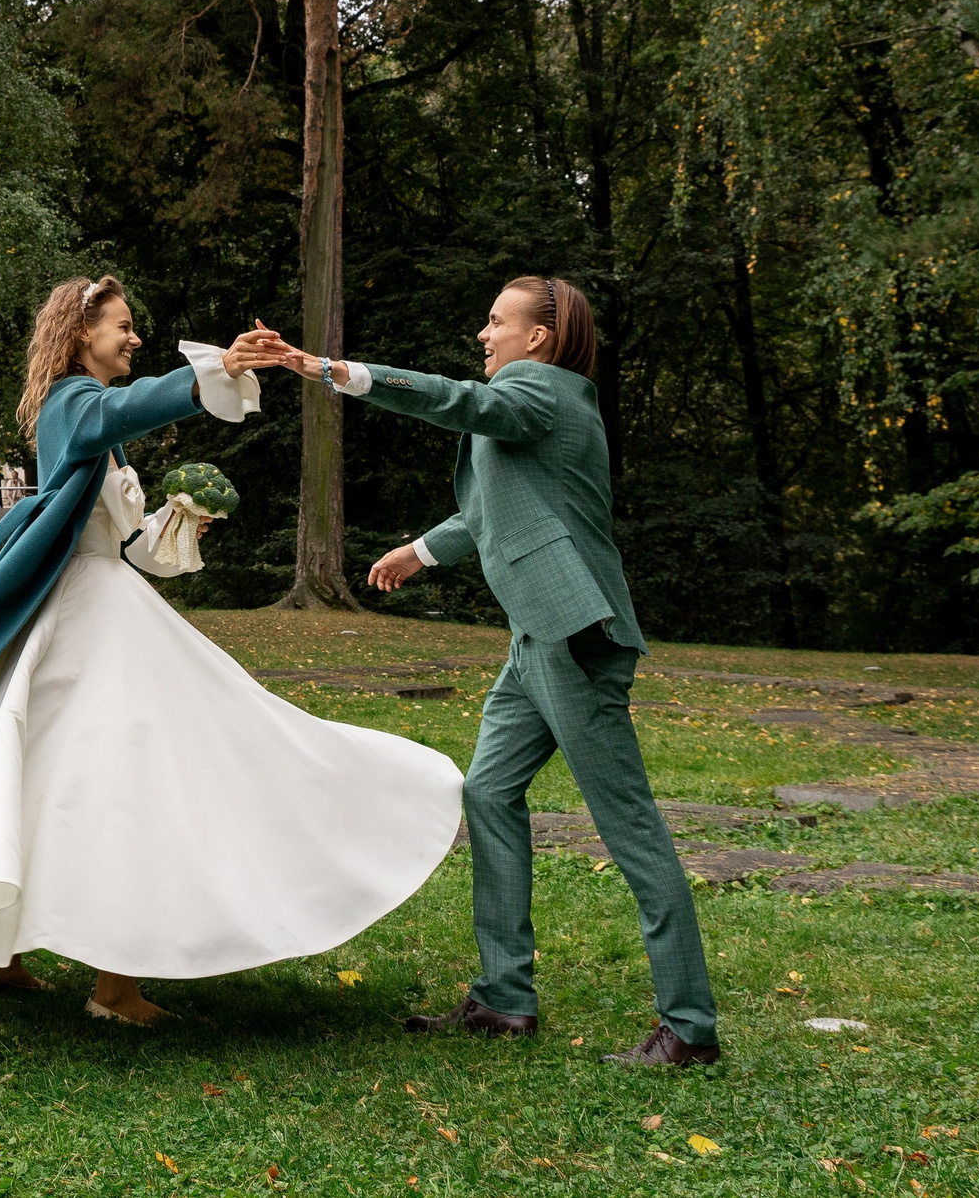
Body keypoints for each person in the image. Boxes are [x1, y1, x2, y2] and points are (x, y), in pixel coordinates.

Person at [0, 276, 465, 1025]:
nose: (134, 337)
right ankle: (113, 988)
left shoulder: (100, 432)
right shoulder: (75, 404)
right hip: (84, 620)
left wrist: (180, 520)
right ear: (80, 335)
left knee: (47, 779)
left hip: (104, 606)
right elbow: (124, 408)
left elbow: (129, 548)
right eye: (123, 326)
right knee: (122, 785)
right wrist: (220, 368)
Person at [285, 276, 722, 1068]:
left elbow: (459, 402)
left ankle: (689, 1025)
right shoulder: (532, 406)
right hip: (534, 638)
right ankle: (503, 999)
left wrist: (336, 371)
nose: (483, 334)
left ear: (539, 338)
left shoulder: (544, 394)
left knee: (632, 832)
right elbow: (491, 511)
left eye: (496, 322)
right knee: (487, 794)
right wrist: (417, 552)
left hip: (574, 639)